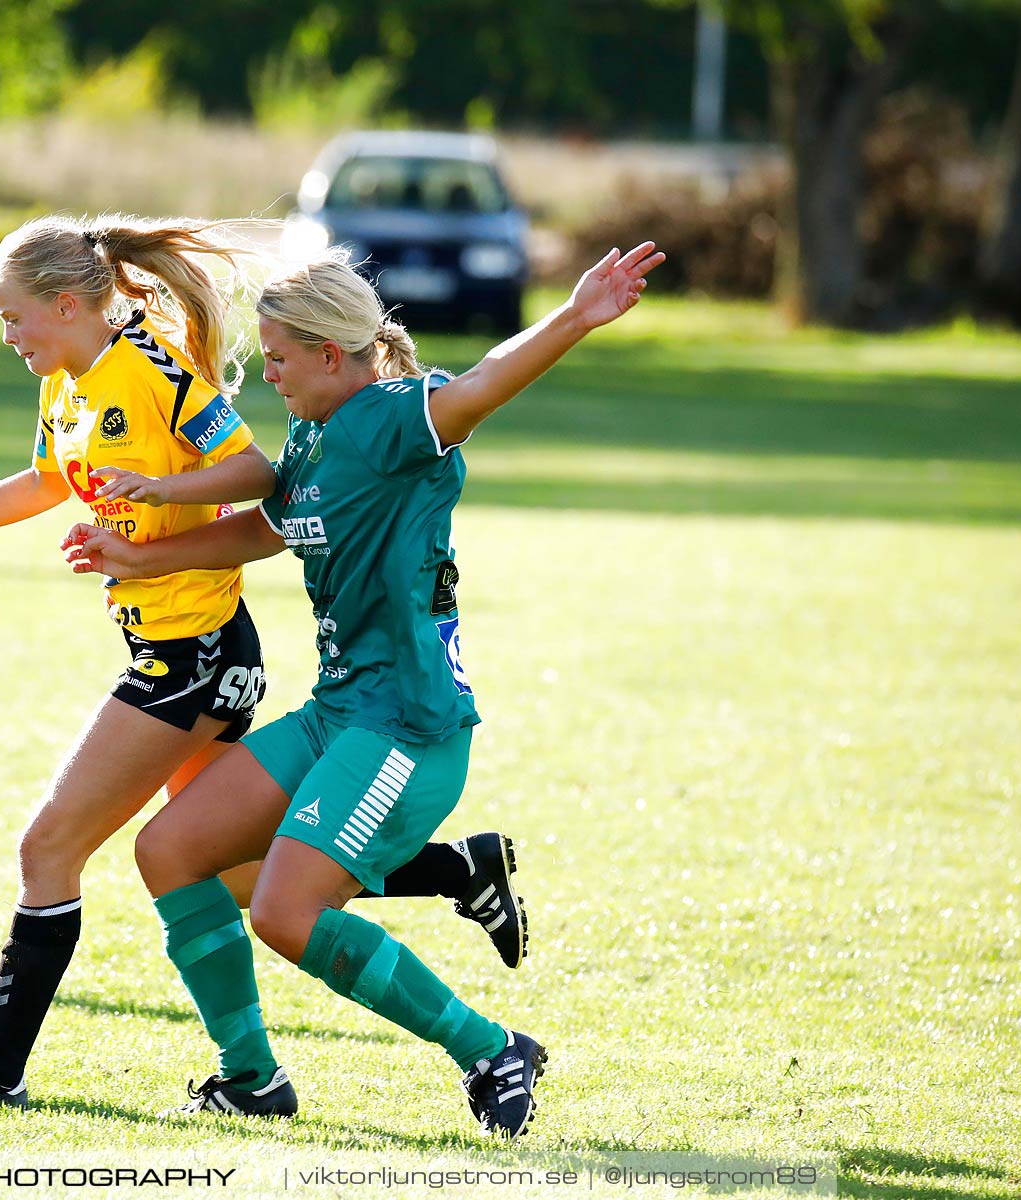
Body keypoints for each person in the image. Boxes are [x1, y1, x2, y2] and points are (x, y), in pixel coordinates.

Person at [0, 214, 528, 1111]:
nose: (8, 336)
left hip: (200, 658)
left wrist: (159, 505)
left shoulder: (155, 372)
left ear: (67, 304)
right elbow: (49, 480)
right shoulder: (67, 389)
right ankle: (304, 1027)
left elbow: (255, 474)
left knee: (53, 846)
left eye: (13, 318)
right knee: (215, 863)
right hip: (185, 652)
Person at [62, 241, 666, 1136]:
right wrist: (136, 553)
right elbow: (265, 531)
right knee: (172, 852)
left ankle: (490, 1046)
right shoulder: (311, 433)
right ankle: (251, 1078)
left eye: (276, 358)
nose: (265, 375)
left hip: (408, 730)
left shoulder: (388, 418)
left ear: (331, 356)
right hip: (339, 713)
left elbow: (487, 382)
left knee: (285, 910)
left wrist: (576, 314)